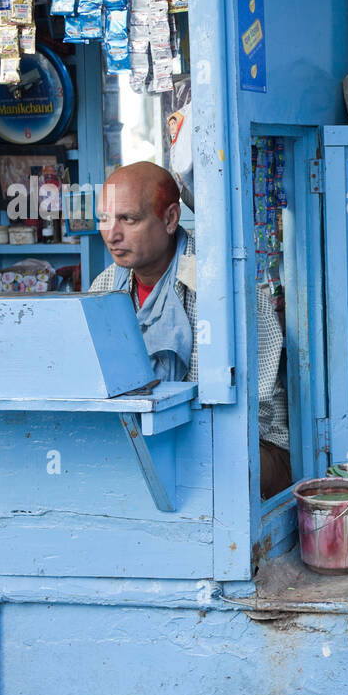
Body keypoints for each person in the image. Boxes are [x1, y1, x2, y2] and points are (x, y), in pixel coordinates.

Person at [90, 161, 293, 499]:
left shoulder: (219, 282)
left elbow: (250, 414)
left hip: (246, 445)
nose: (112, 234)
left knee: (221, 462)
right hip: (150, 439)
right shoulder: (106, 287)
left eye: (129, 219)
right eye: (105, 219)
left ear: (170, 219)